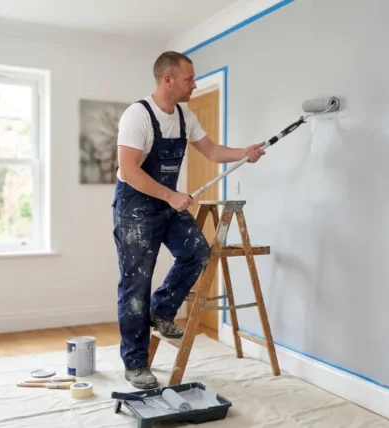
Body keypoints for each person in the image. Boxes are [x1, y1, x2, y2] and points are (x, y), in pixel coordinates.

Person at [113, 51, 266, 389]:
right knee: (136, 285)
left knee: (198, 251)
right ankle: (135, 363)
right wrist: (171, 196)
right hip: (135, 207)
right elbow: (128, 170)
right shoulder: (137, 116)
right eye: (188, 78)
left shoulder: (184, 116)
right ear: (167, 79)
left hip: (167, 204)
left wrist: (244, 152)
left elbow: (210, 150)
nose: (193, 84)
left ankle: (162, 310)